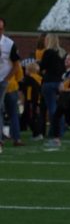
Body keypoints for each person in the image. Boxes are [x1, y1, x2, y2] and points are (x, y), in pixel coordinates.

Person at [39, 34, 66, 146]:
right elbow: (63, 68)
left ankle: (55, 134)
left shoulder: (47, 52)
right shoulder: (61, 53)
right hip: (59, 82)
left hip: (49, 82)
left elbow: (42, 67)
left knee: (52, 109)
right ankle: (59, 131)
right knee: (58, 108)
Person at [0, 17, 23, 146]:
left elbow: (16, 65)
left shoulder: (9, 44)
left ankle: (16, 138)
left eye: (1, 28)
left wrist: (6, 79)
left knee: (12, 111)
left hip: (8, 84)